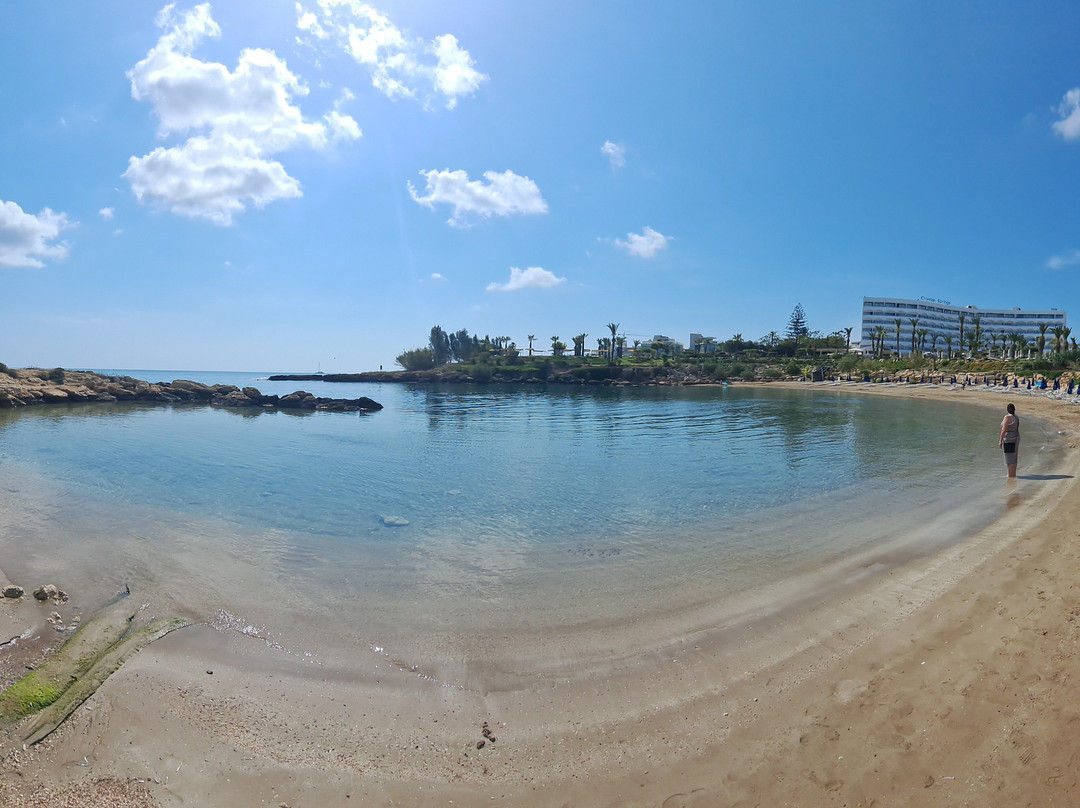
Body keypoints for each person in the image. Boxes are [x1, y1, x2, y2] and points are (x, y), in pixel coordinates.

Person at [999, 402, 1020, 478]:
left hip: (1009, 438)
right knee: (1014, 456)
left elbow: (1004, 429)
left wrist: (1000, 440)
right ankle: (1013, 474)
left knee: (1009, 457)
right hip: (1016, 437)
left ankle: (1010, 475)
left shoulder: (1007, 417)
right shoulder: (1016, 417)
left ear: (1007, 410)